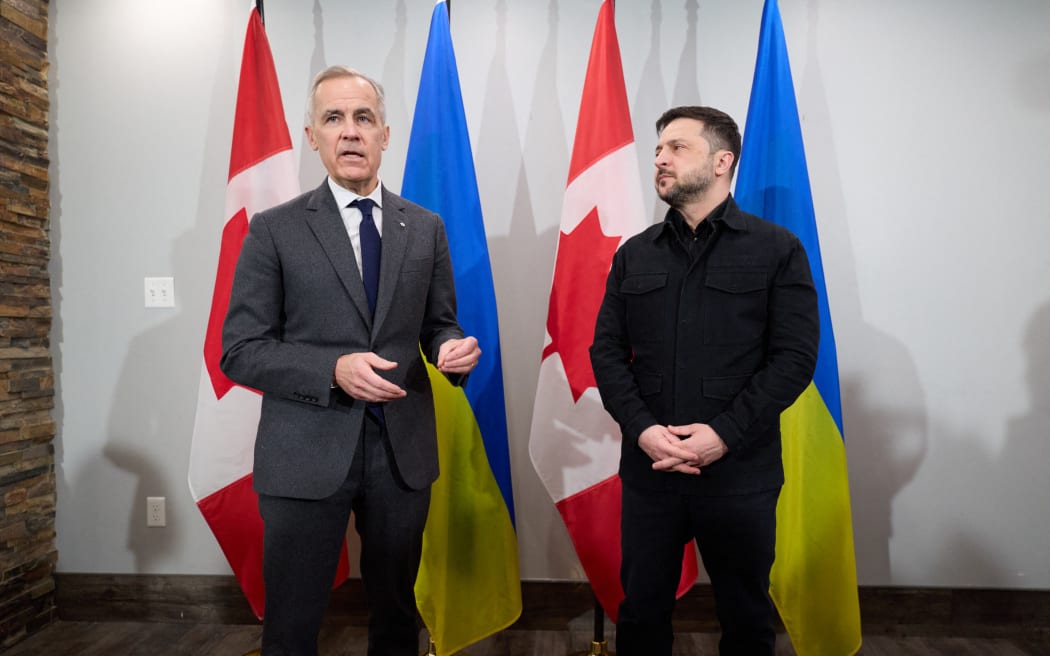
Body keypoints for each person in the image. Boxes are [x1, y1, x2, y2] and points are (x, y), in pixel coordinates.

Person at [221, 65, 481, 656]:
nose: (350, 131)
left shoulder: (425, 228)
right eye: (333, 118)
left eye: (363, 118)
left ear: (384, 134)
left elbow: (439, 324)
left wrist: (451, 349)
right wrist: (331, 371)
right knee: (292, 624)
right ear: (312, 137)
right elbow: (241, 350)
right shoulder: (274, 230)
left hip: (400, 453)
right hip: (303, 452)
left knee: (396, 619)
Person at [589, 106, 820, 655]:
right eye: (658, 150)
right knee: (641, 615)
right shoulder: (635, 254)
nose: (660, 159)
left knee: (746, 618)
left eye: (677, 147)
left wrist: (723, 435)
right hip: (652, 470)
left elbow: (794, 357)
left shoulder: (776, 249)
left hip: (739, 472)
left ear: (722, 162)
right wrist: (644, 431)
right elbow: (606, 352)